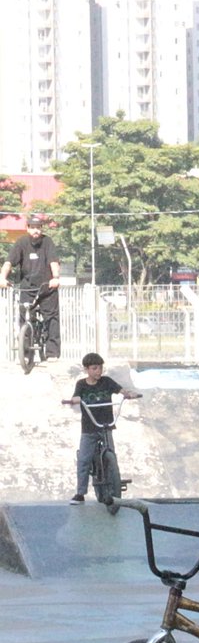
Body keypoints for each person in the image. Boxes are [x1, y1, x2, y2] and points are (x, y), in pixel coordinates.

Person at [66, 353, 141, 505]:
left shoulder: (106, 382)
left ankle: (113, 484)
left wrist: (129, 394)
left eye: (100, 368)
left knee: (111, 455)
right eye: (94, 368)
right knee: (84, 460)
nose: (98, 371)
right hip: (89, 428)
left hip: (106, 426)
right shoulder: (81, 385)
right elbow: (76, 396)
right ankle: (80, 494)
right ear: (87, 369)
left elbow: (120, 390)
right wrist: (75, 399)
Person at [0, 215, 61, 358]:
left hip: (47, 287)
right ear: (27, 228)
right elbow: (9, 262)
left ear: (41, 229)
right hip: (27, 288)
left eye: (38, 228)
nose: (36, 230)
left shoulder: (48, 242)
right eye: (33, 227)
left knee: (51, 318)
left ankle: (52, 353)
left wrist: (56, 278)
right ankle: (26, 353)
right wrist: (2, 277)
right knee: (24, 317)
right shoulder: (21, 242)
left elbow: (53, 261)